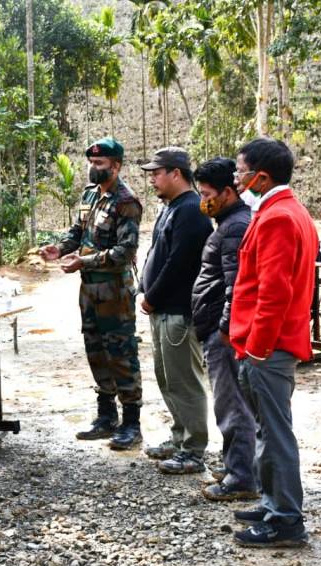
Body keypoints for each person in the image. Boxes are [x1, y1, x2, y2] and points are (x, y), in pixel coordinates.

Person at [229, 138, 317, 548]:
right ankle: (272, 503)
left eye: (241, 171)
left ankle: (285, 520)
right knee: (268, 429)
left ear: (261, 177)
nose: (237, 179)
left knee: (276, 433)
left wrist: (257, 348)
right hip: (269, 345)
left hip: (269, 347)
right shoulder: (284, 210)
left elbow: (274, 292)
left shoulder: (278, 217)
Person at [39, 137, 144, 450]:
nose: (93, 167)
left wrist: (83, 261)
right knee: (95, 349)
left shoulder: (126, 201)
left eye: (100, 163)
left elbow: (125, 252)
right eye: (91, 162)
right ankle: (106, 416)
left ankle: (131, 423)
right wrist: (60, 249)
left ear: (116, 166)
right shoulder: (90, 194)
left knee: (121, 353)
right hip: (89, 290)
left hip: (114, 291)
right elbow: (78, 232)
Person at [139, 147, 213, 474]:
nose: (152, 179)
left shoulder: (192, 211)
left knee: (185, 382)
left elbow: (179, 263)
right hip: (163, 310)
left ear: (176, 173)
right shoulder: (172, 207)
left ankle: (193, 450)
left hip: (178, 311)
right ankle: (180, 437)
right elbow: (158, 253)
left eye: (157, 173)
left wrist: (152, 296)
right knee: (167, 379)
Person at [192, 158, 258, 501]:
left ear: (228, 192)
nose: (204, 201)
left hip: (224, 334)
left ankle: (242, 478)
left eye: (207, 195)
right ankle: (238, 466)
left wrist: (224, 329)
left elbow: (237, 286)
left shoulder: (234, 228)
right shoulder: (229, 223)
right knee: (231, 403)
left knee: (232, 405)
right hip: (219, 329)